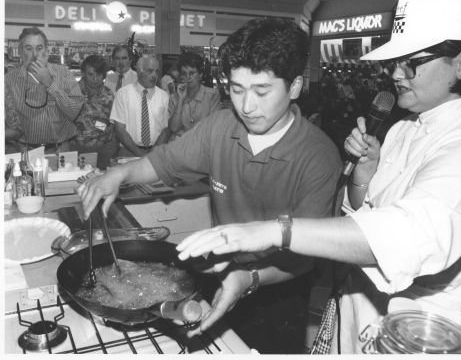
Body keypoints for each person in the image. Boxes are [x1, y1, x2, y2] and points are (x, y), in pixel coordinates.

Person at [175, 0, 461, 353]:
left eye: (411, 63)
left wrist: (275, 231)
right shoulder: (406, 127)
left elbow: (409, 237)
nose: (396, 73)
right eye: (395, 60)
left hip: (431, 335)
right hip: (364, 317)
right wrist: (364, 175)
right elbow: (366, 211)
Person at [77, 18, 342, 354]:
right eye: (235, 89)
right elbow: (162, 162)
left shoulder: (318, 156)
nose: (246, 106)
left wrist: (251, 278)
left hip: (279, 291)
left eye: (262, 91)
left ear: (294, 87)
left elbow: (306, 255)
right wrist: (118, 175)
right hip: (220, 273)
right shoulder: (220, 127)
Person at [4, 27, 85, 154]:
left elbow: (73, 112)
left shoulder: (63, 73)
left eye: (39, 48)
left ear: (46, 50)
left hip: (61, 149)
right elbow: (12, 124)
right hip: (26, 150)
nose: (35, 54)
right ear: (19, 51)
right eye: (28, 48)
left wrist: (50, 83)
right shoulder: (9, 80)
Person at [110, 55, 173, 157]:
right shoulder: (123, 94)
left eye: (157, 71)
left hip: (156, 152)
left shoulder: (164, 96)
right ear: (139, 71)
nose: (154, 75)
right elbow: (119, 129)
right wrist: (139, 153)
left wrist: (153, 151)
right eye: (150, 71)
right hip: (128, 152)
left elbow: (167, 128)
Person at [70, 55, 118, 170]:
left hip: (104, 149)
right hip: (76, 147)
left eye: (99, 75)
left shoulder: (109, 95)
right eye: (90, 74)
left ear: (104, 75)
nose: (95, 79)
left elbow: (112, 123)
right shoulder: (72, 92)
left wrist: (99, 127)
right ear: (83, 73)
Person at [168, 51, 221, 138]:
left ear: (200, 74)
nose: (188, 77)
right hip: (179, 147)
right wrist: (181, 100)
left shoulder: (211, 95)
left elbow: (213, 127)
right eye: (184, 74)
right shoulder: (174, 97)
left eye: (192, 73)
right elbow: (174, 128)